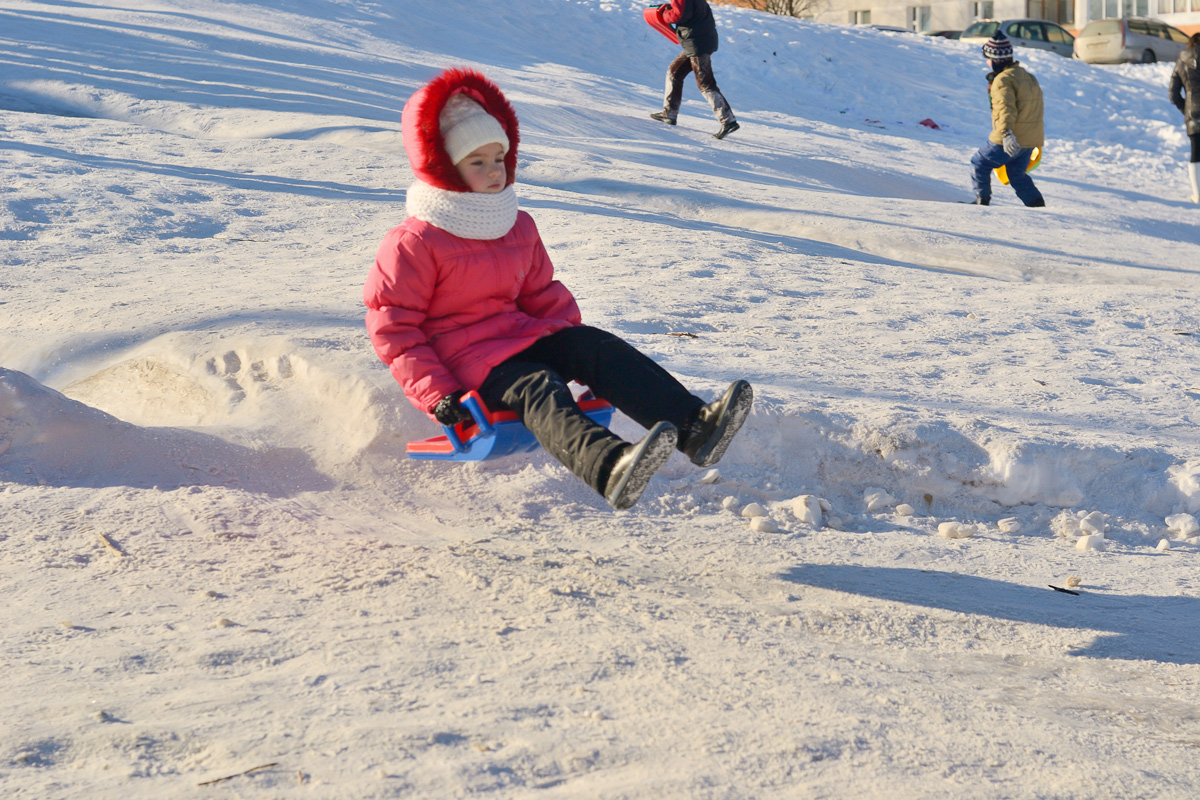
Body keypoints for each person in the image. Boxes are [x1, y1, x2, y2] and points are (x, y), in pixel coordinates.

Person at [364, 68, 752, 510]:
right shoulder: (416, 241)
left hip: (519, 337)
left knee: (596, 346)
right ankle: (609, 466)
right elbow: (394, 328)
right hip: (467, 362)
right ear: (444, 168)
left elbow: (540, 293)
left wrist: (577, 350)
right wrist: (438, 395)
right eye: (477, 163)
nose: (494, 172)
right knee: (539, 385)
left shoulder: (515, 223)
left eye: (499, 159)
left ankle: (695, 428)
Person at [967, 31, 1045, 208]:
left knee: (979, 163)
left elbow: (1005, 109)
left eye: (988, 58)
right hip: (1029, 139)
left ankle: (982, 201)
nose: (987, 63)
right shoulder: (1028, 76)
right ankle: (1037, 205)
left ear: (996, 59)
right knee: (1016, 174)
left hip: (1010, 137)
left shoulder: (1002, 80)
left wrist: (1006, 133)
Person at [648, 0, 739, 140]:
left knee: (705, 83)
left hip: (697, 43)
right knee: (674, 72)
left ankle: (728, 120)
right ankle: (669, 113)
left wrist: (664, 13)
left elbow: (678, 15)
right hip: (699, 41)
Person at [1169, 32, 1200, 204]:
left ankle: (1198, 194)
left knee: (1196, 153)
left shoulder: (1182, 60)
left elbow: (1173, 93)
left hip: (1193, 114)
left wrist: (1186, 110)